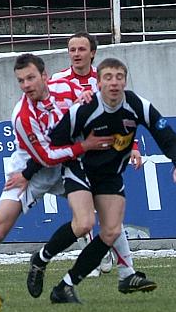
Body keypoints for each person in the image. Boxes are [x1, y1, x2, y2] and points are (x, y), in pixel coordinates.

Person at [0, 53, 113, 304]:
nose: (26, 85)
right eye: (21, 81)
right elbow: (46, 157)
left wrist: (87, 101)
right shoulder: (22, 116)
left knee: (103, 210)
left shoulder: (65, 87)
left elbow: (89, 106)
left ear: (45, 76)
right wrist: (85, 145)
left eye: (31, 78)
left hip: (66, 167)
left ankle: (124, 272)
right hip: (27, 175)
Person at [24, 57, 176, 304]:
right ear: (99, 82)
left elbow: (167, 135)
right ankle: (41, 259)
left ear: (125, 80)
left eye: (119, 77)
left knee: (111, 232)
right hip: (80, 169)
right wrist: (27, 173)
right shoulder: (86, 108)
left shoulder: (136, 105)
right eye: (108, 77)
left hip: (110, 175)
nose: (114, 83)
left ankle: (65, 287)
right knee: (84, 223)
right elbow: (54, 141)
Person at [24, 32, 149, 292]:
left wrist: (133, 146)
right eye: (72, 49)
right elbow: (51, 119)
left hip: (101, 159)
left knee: (107, 219)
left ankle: (126, 271)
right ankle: (112, 267)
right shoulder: (57, 81)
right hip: (70, 160)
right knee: (89, 220)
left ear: (92, 53)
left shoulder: (103, 80)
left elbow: (122, 116)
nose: (76, 54)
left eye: (82, 49)